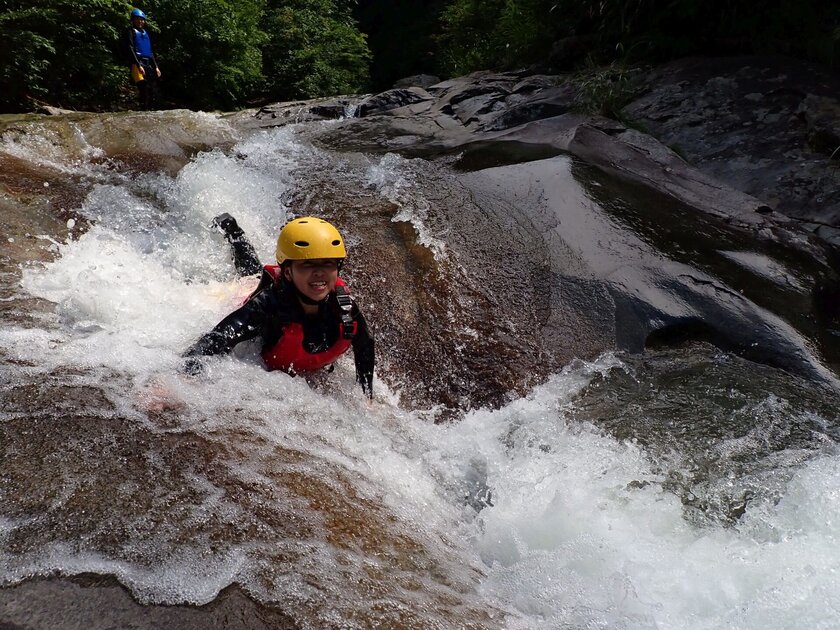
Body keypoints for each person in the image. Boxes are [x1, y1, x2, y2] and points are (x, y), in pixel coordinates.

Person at [182, 214, 375, 398]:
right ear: (288, 272)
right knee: (249, 274)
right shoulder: (268, 305)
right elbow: (218, 338)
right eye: (307, 264)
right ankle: (232, 231)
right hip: (242, 294)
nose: (319, 272)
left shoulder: (344, 307)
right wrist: (185, 378)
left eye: (328, 263)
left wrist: (368, 397)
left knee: (253, 271)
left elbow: (365, 345)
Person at [125, 8, 161, 110]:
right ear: (133, 20)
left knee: (152, 90)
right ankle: (143, 111)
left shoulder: (145, 33)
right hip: (136, 63)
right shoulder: (131, 31)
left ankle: (150, 112)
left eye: (142, 19)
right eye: (138, 19)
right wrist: (138, 64)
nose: (140, 21)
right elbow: (130, 48)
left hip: (148, 63)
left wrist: (156, 67)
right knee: (143, 88)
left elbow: (150, 52)